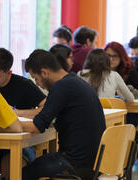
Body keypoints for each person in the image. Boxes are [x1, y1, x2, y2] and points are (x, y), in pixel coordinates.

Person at [21, 49, 105, 180]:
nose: (38, 84)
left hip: (74, 163)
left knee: (19, 174)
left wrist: (8, 124)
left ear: (44, 72)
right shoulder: (74, 82)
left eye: (36, 79)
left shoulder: (61, 87)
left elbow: (37, 126)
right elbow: (46, 116)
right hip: (94, 162)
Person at [0, 48, 46, 119]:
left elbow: (47, 108)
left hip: (18, 127)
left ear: (9, 73)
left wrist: (17, 112)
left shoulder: (25, 85)